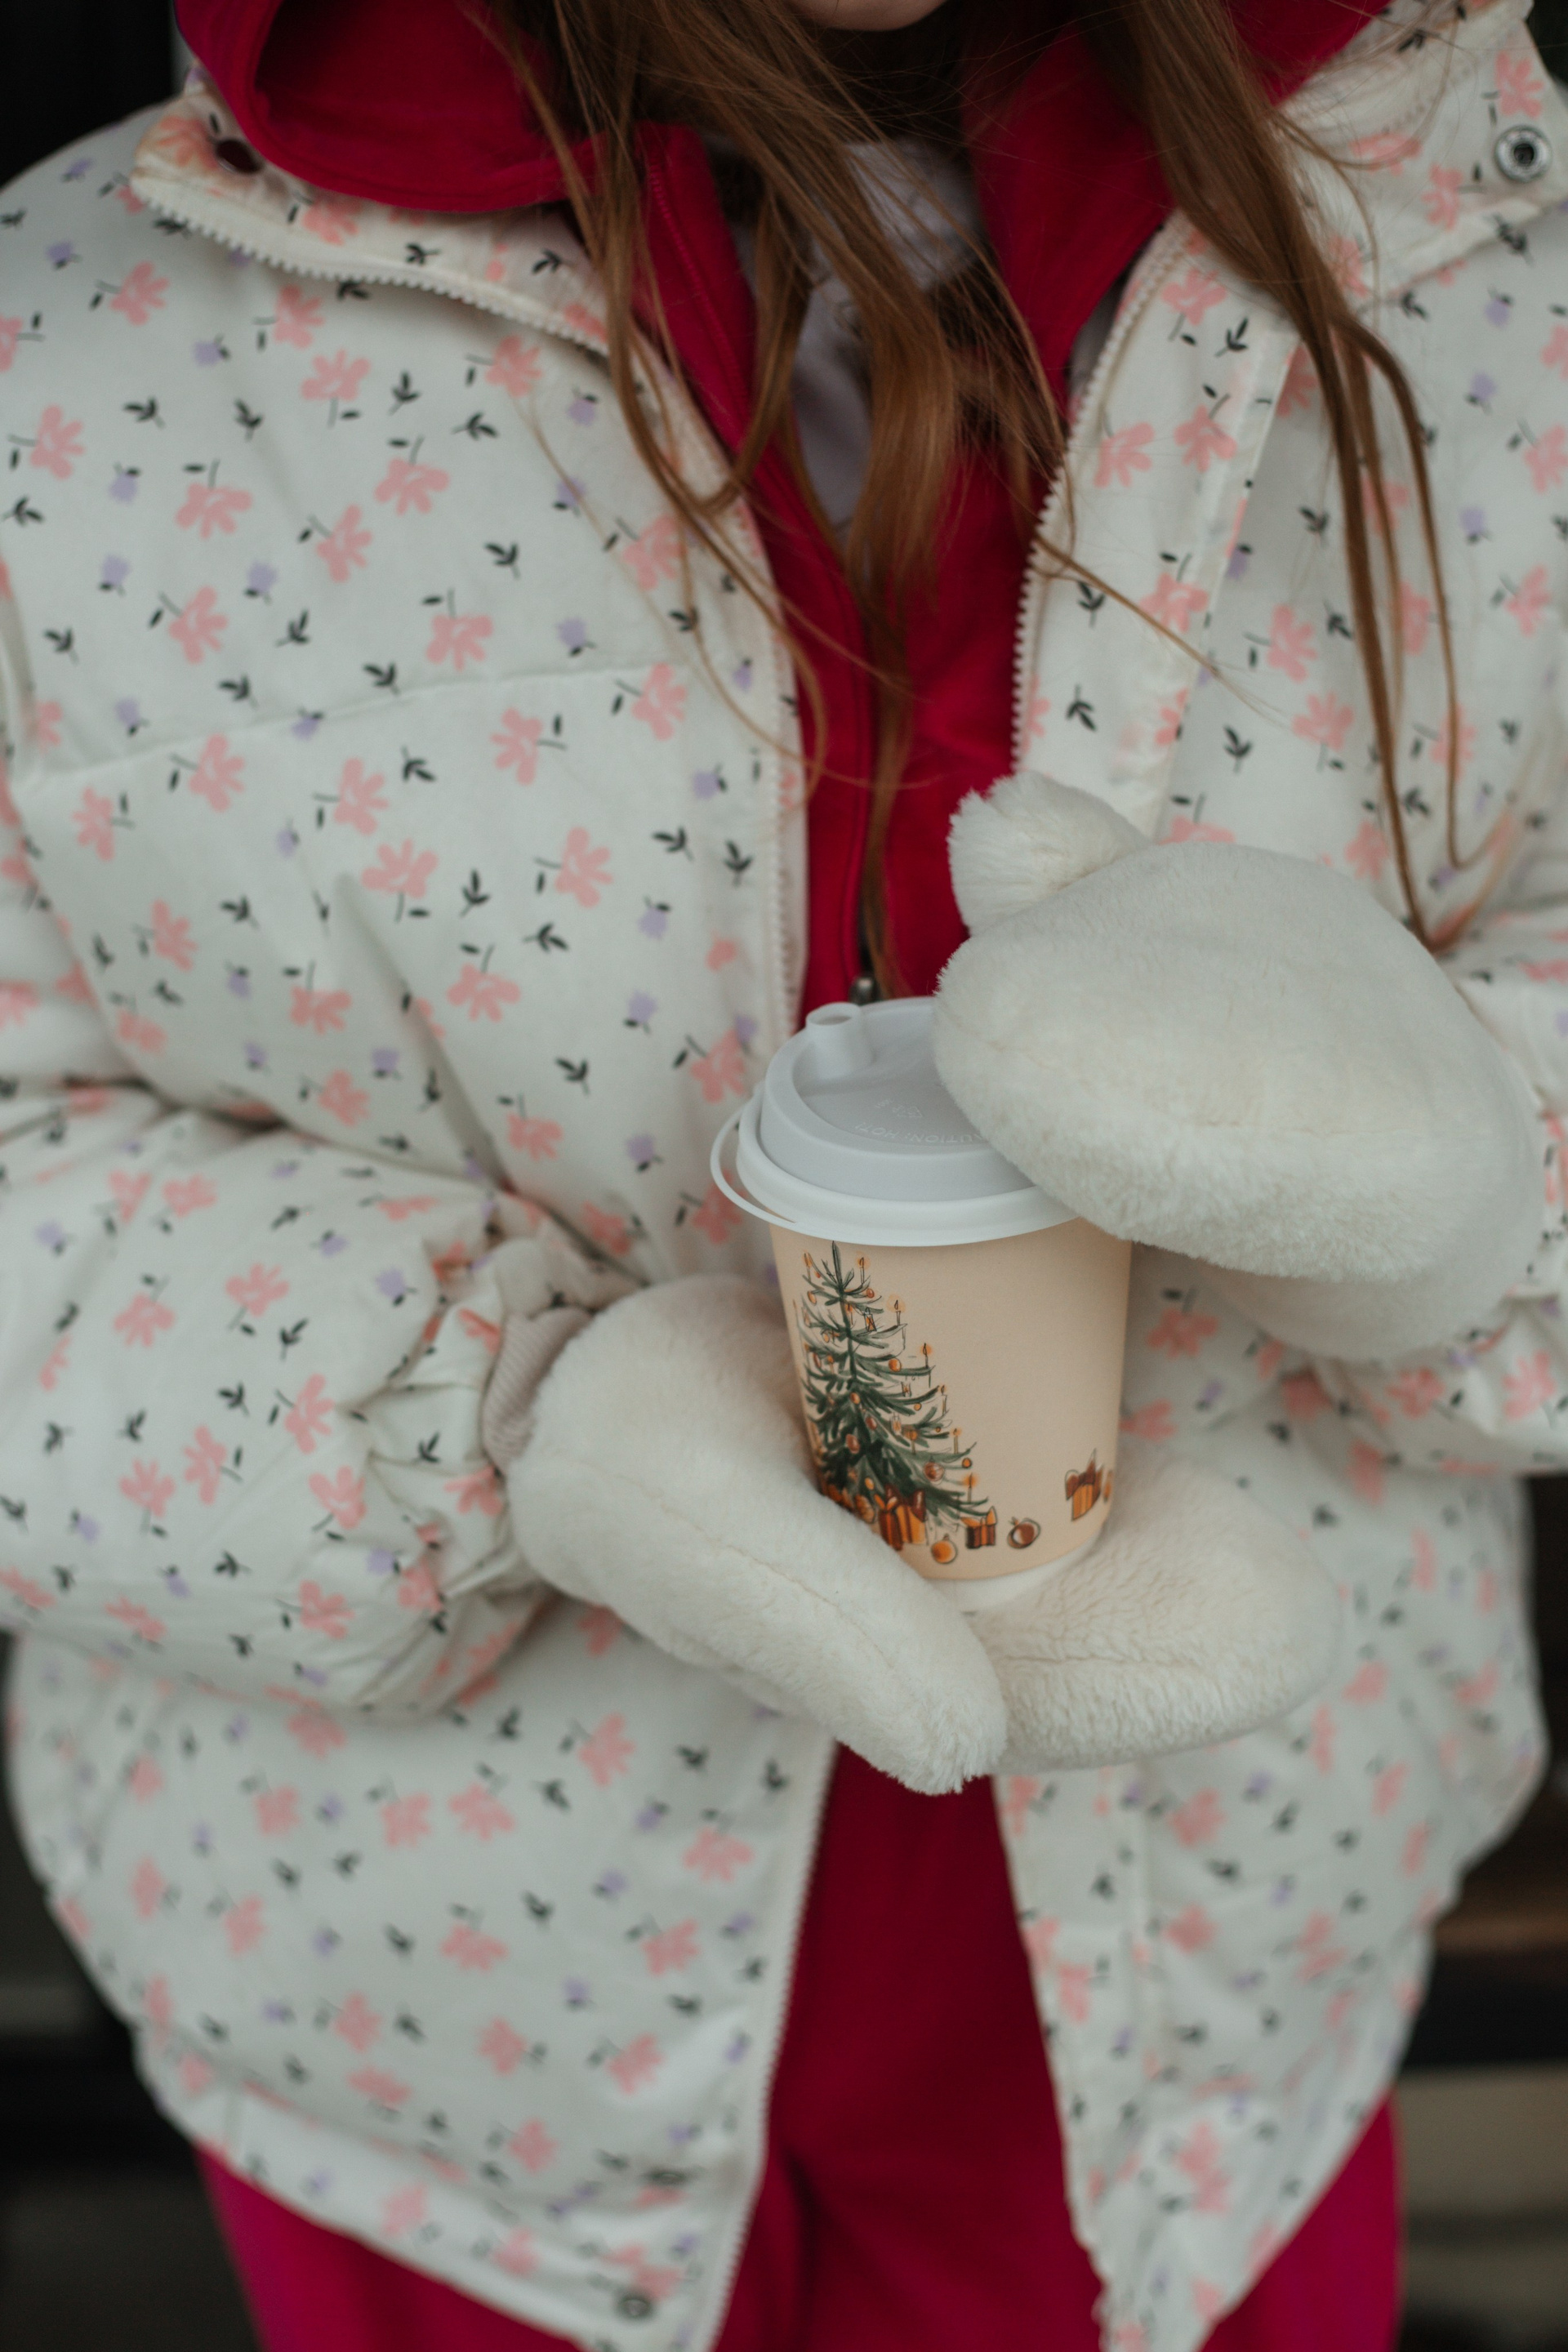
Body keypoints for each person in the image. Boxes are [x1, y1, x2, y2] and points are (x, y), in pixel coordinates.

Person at [0, 0, 1563, 2345]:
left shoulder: (1488, 247)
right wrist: (496, 1426)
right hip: (431, 2049)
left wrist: (1449, 1182)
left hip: (1205, 2014)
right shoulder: (72, 349)